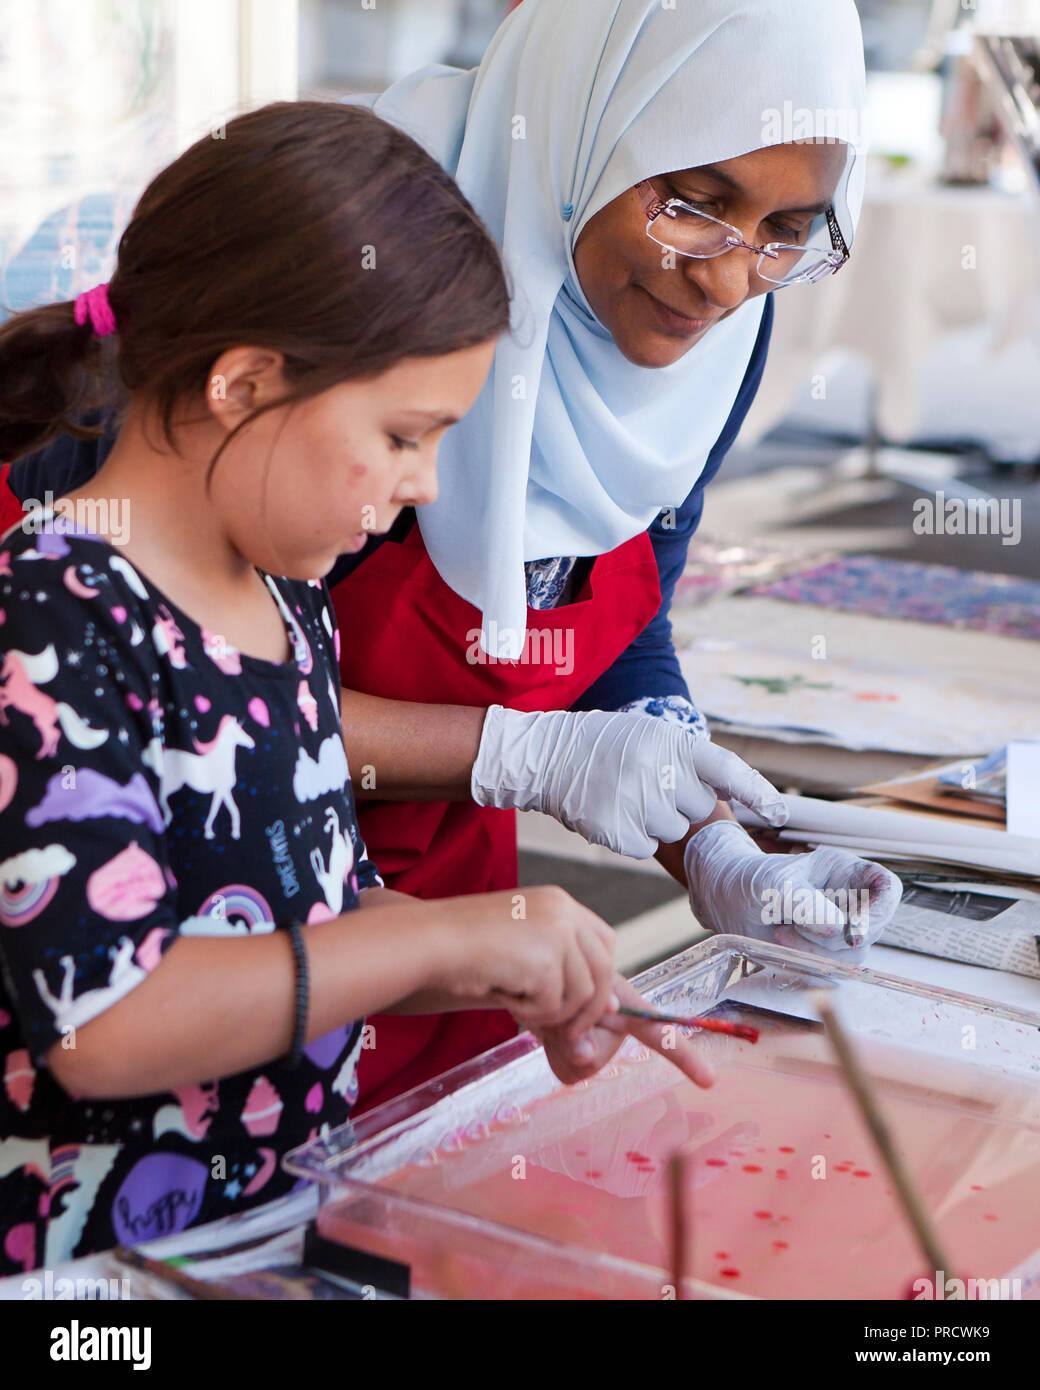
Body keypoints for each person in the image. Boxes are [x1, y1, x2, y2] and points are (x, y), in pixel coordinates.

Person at [0, 0, 902, 1117]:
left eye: (785, 232)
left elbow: (619, 621)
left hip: (391, 985)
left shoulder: (295, 599)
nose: (726, 282)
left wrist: (708, 845)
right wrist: (520, 761)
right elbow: (103, 1012)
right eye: (692, 201)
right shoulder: (342, 283)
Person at [0, 101, 716, 1272]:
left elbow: (310, 905)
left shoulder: (284, 601)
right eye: (401, 435)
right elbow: (105, 1020)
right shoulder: (56, 611)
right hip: (87, 1276)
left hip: (264, 1233)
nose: (428, 485)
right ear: (241, 382)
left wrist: (509, 957)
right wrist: (438, 950)